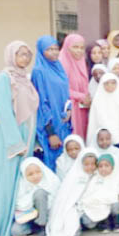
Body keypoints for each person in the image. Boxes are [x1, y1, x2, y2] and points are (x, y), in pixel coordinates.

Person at [0, 41, 39, 236]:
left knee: (20, 184)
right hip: (9, 139)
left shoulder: (24, 79)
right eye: (21, 54)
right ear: (11, 55)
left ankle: (16, 224)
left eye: (28, 54)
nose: (25, 58)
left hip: (25, 135)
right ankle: (1, 230)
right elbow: (4, 111)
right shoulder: (4, 78)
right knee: (6, 182)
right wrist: (15, 143)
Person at [31, 35, 72, 172]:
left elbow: (65, 93)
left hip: (63, 122)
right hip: (50, 125)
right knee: (52, 162)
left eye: (56, 49)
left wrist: (69, 109)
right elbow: (41, 103)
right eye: (49, 49)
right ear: (41, 51)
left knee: (64, 162)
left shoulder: (59, 67)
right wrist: (50, 133)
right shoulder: (39, 71)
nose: (54, 52)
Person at [44, 148, 98, 236]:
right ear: (81, 164)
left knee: (90, 222)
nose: (90, 167)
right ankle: (77, 226)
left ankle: (81, 224)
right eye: (86, 164)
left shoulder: (97, 175)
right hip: (71, 207)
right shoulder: (74, 176)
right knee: (73, 235)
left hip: (87, 205)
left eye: (92, 164)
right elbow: (68, 199)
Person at [10, 157, 61, 236]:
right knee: (15, 231)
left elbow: (57, 200)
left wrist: (40, 200)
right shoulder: (22, 184)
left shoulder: (51, 180)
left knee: (40, 193)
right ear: (24, 175)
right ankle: (35, 227)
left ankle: (42, 226)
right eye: (30, 174)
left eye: (38, 172)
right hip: (29, 216)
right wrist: (32, 195)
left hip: (49, 215)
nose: (35, 176)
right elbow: (20, 204)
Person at [86, 73, 119, 149]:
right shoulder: (98, 100)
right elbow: (94, 121)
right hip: (104, 140)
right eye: (106, 83)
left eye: (113, 83)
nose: (110, 86)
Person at [78, 154, 119, 233]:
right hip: (98, 204)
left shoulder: (117, 177)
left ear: (112, 167)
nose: (103, 169)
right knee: (90, 219)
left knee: (116, 205)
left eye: (106, 166)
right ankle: (103, 225)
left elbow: (117, 192)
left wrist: (106, 198)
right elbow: (89, 193)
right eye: (100, 166)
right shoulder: (95, 178)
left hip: (112, 203)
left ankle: (117, 224)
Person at [59, 34, 90, 138]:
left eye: (82, 48)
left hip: (82, 108)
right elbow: (61, 89)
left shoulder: (81, 62)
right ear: (67, 47)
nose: (79, 51)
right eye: (75, 47)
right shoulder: (62, 64)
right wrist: (81, 96)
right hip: (70, 110)